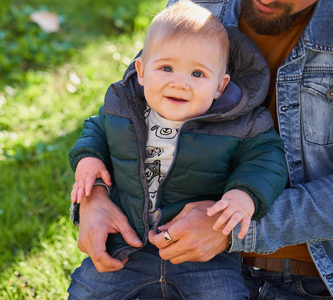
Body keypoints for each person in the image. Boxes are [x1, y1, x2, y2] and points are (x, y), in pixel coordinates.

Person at [72, 0, 333, 298]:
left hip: (258, 271)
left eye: (197, 74)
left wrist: (242, 201)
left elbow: (264, 158)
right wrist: (92, 194)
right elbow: (106, 123)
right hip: (132, 247)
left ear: (222, 86)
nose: (180, 84)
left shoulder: (241, 127)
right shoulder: (193, 9)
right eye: (168, 69)